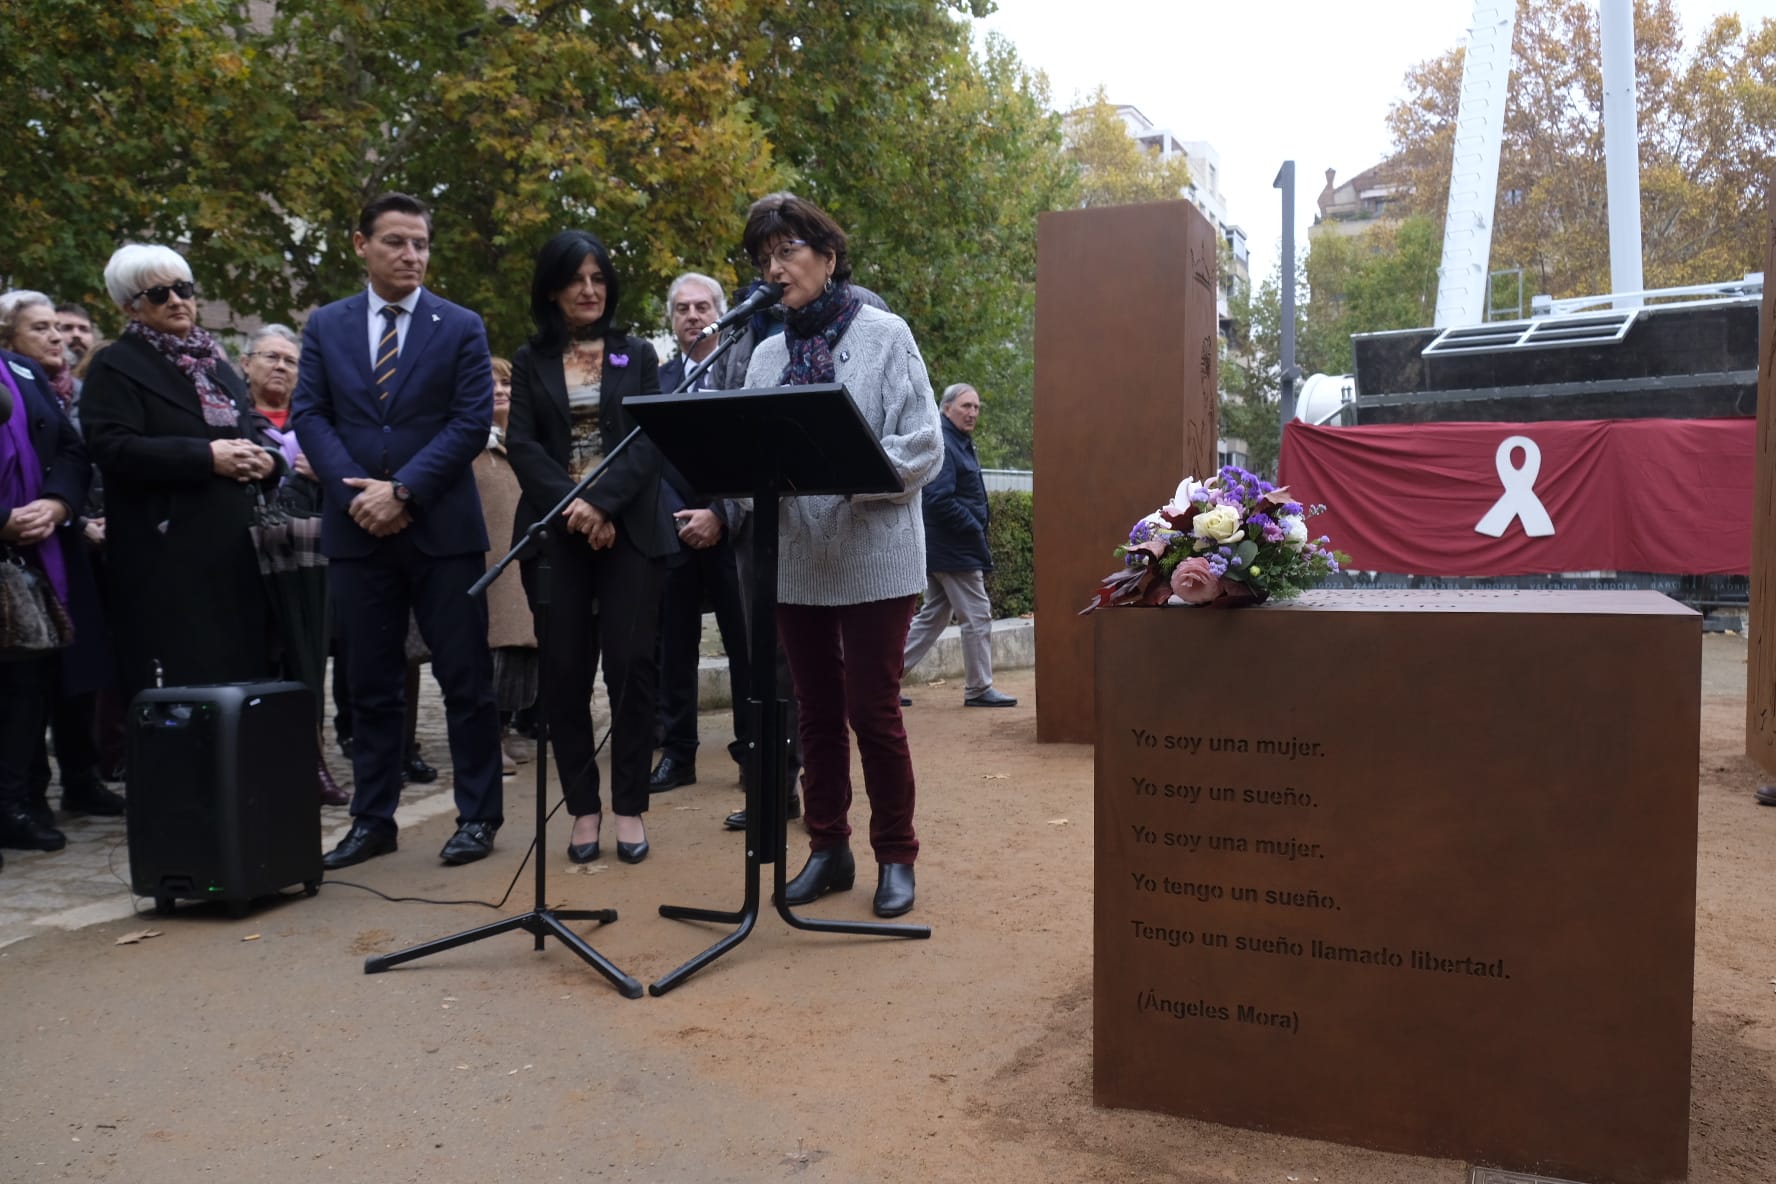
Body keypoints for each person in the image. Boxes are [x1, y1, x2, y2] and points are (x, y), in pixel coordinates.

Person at [739, 194, 943, 917]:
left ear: (827, 258)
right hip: (797, 559)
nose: (775, 265)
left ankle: (897, 854)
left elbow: (923, 442)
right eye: (764, 255)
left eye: (788, 249)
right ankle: (828, 848)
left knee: (872, 710)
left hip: (875, 554)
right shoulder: (763, 354)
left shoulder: (886, 335)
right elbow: (746, 451)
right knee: (814, 716)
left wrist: (841, 474)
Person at [291, 192, 504, 870]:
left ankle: (477, 816)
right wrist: (359, 492)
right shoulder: (326, 325)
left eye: (420, 244)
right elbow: (310, 415)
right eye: (395, 242)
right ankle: (372, 819)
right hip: (358, 531)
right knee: (369, 684)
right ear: (361, 245)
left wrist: (404, 490)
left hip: (441, 530)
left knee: (466, 680)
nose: (411, 255)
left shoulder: (460, 325)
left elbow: (470, 421)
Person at [505, 229, 673, 866]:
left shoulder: (638, 355)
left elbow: (652, 438)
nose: (590, 289)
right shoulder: (529, 359)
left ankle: (628, 804)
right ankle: (583, 808)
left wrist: (603, 503)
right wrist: (575, 507)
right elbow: (522, 444)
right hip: (557, 534)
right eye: (577, 278)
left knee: (632, 667)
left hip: (630, 528)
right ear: (553, 287)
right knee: (565, 673)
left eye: (599, 278)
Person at [80, 245, 284, 701]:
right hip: (165, 554)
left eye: (183, 288)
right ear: (129, 305)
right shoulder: (115, 366)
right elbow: (111, 446)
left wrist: (271, 462)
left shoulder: (213, 362)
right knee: (181, 679)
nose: (176, 300)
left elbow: (251, 428)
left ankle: (237, 768)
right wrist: (206, 457)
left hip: (234, 548)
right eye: (158, 293)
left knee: (240, 672)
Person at [1, 293, 122, 821]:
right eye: (41, 327)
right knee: (20, 685)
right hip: (9, 551)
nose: (56, 337)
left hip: (54, 544)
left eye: (59, 326)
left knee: (73, 670)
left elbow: (72, 451)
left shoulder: (28, 376)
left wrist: (56, 504)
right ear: (7, 334)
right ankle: (20, 800)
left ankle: (79, 780)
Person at [241, 324, 350, 808]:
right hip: (249, 558)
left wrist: (329, 470)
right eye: (271, 357)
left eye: (291, 360)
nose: (282, 366)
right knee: (264, 660)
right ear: (245, 363)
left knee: (310, 659)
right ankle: (264, 760)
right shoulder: (236, 420)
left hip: (315, 557)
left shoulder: (315, 422)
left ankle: (315, 757)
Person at [650, 272, 751, 794]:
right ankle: (678, 755)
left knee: (746, 646)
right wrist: (679, 517)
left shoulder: (743, 369)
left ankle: (751, 752)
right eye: (682, 309)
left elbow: (751, 454)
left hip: (734, 533)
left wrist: (717, 514)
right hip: (671, 534)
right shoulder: (658, 379)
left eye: (702, 306)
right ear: (671, 320)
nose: (692, 315)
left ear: (720, 311)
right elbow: (647, 458)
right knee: (674, 649)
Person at [0, 344, 94, 855]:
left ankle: (15, 806)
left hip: (30, 557)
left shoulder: (21, 368)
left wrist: (56, 503)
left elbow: (69, 447)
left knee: (24, 686)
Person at [901, 382, 1016, 708]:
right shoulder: (947, 444)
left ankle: (881, 683)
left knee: (933, 617)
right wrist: (973, 527)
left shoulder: (957, 442)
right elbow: (937, 499)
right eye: (966, 406)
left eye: (976, 407)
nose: (972, 413)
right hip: (954, 548)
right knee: (978, 615)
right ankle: (979, 688)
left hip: (946, 548)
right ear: (946, 408)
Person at [475, 356, 536, 777]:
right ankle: (486, 735)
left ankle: (507, 725)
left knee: (520, 651)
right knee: (489, 651)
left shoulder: (525, 441)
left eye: (507, 384)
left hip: (520, 558)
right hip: (487, 560)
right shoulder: (471, 445)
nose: (500, 391)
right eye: (490, 385)